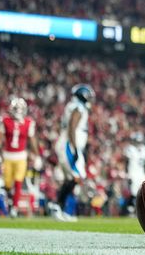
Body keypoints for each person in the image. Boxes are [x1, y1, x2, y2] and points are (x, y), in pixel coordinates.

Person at [53, 84, 94, 221]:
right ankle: (57, 206)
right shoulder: (78, 107)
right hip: (69, 145)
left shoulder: (73, 105)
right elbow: (72, 126)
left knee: (71, 179)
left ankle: (63, 209)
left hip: (67, 143)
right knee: (77, 176)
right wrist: (75, 148)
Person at [0, 97, 40, 217]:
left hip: (21, 156)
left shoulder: (28, 122)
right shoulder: (5, 121)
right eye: (16, 108)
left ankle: (14, 208)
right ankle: (10, 201)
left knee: (18, 182)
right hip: (8, 156)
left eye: (20, 109)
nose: (18, 111)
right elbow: (0, 137)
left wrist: (37, 156)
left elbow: (32, 140)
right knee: (7, 183)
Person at [124, 132, 145, 214]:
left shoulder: (144, 149)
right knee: (133, 191)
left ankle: (140, 210)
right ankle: (130, 209)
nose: (138, 143)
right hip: (133, 172)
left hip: (141, 173)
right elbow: (126, 162)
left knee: (142, 192)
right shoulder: (130, 149)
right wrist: (127, 173)